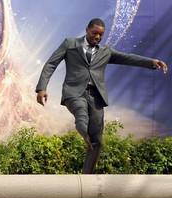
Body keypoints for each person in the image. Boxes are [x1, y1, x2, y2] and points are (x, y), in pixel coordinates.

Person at [35, 18, 168, 174]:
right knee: (81, 113)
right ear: (87, 30)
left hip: (96, 96)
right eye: (94, 33)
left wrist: (152, 62)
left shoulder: (106, 51)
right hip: (74, 92)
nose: (97, 37)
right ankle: (83, 129)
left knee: (97, 141)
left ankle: (87, 176)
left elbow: (128, 58)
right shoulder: (70, 44)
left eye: (101, 35)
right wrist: (41, 88)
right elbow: (51, 64)